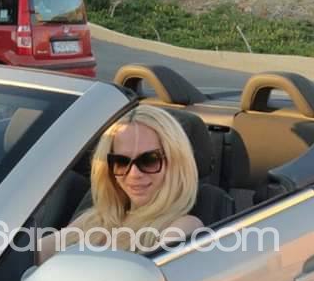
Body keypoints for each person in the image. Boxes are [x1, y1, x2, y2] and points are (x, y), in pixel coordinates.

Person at [37, 105, 203, 263]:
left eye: (149, 160)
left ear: (176, 163)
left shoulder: (184, 227)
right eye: (121, 161)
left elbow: (140, 280)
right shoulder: (95, 219)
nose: (134, 173)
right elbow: (31, 255)